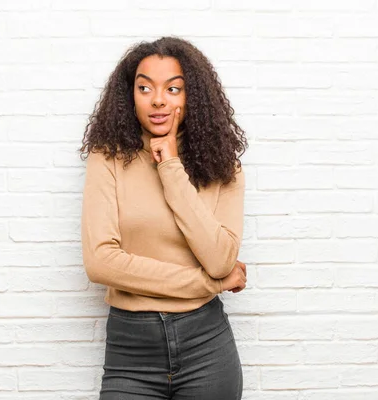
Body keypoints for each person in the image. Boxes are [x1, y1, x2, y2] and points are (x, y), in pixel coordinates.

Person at [79, 36, 248, 400]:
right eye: (145, 88)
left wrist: (170, 164)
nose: (158, 99)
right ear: (131, 95)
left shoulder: (223, 165)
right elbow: (100, 262)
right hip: (131, 351)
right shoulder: (107, 157)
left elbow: (220, 259)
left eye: (173, 88)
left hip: (207, 347)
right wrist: (208, 285)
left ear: (193, 96)